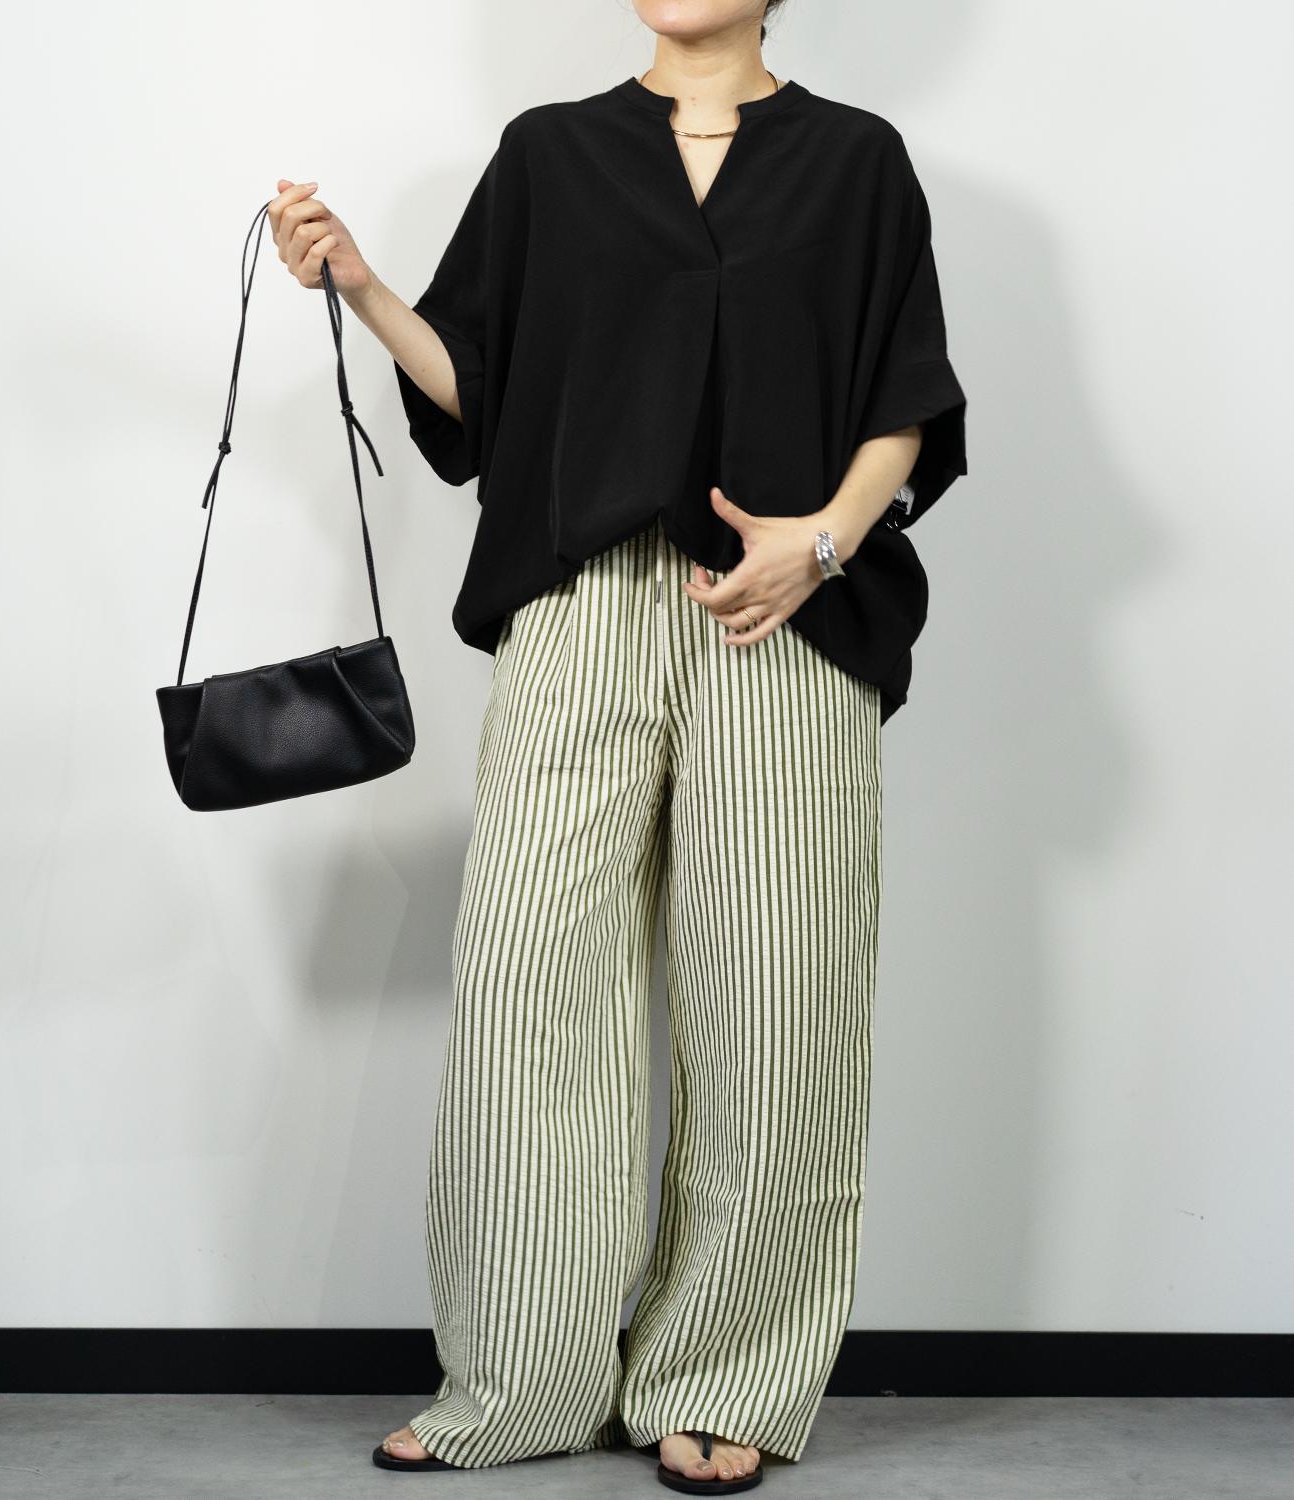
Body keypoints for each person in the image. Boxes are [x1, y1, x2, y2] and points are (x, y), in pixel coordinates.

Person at [269, 1, 965, 1489]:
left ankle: (728, 1372)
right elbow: (482, 389)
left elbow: (907, 403)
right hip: (577, 605)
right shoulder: (551, 155)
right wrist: (363, 286)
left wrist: (821, 546)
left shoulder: (858, 162)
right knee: (529, 986)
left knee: (778, 1004)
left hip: (785, 617)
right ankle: (521, 1378)